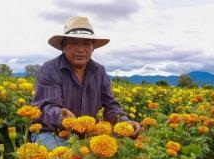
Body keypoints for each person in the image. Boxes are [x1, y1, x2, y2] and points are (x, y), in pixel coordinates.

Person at [31, 16, 140, 150]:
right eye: (74, 43)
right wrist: (64, 117)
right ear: (63, 46)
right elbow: (47, 107)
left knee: (124, 149)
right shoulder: (50, 69)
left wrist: (125, 122)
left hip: (88, 133)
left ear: (93, 48)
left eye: (86, 43)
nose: (81, 49)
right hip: (52, 132)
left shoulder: (99, 71)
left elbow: (110, 105)